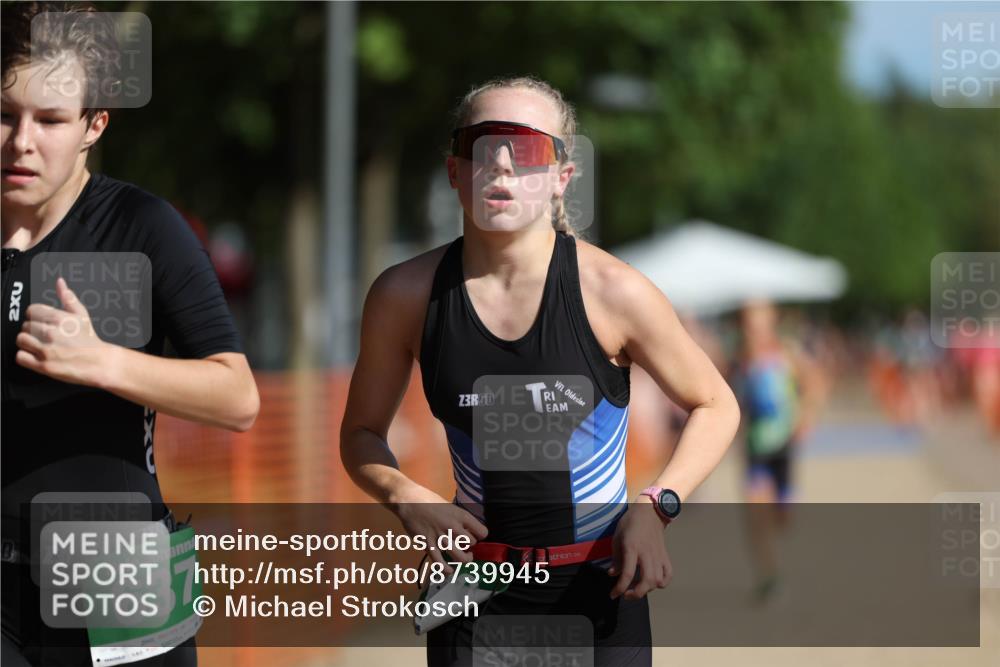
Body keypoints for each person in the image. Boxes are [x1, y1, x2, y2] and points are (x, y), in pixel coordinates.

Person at [340, 75, 740, 666]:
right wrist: (406, 495)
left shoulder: (614, 292)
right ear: (455, 170)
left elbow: (716, 404)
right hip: (473, 594)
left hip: (600, 590)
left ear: (561, 177)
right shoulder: (404, 296)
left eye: (526, 147)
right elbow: (360, 434)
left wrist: (656, 506)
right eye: (483, 143)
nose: (501, 163)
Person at [1, 3, 259, 665]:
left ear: (94, 124)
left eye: (51, 120)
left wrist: (102, 361)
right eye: (5, 115)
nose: (21, 141)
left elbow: (238, 398)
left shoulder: (143, 228)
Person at [735, 300, 820, 604]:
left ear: (771, 321)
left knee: (783, 515)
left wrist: (805, 417)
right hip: (754, 448)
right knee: (756, 514)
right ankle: (768, 576)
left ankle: (782, 514)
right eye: (748, 322)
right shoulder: (740, 357)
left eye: (758, 321)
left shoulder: (787, 353)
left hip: (784, 445)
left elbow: (814, 383)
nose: (753, 328)